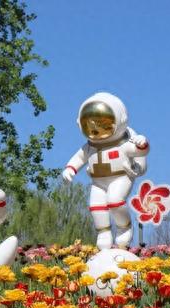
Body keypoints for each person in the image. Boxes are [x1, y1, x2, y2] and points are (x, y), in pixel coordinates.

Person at [62, 92, 149, 249]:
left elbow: (140, 152)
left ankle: (124, 228)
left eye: (103, 123)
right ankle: (103, 233)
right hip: (98, 181)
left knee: (115, 200)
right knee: (96, 206)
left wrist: (141, 143)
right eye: (90, 124)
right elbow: (79, 158)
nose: (96, 129)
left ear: (119, 120)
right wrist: (70, 168)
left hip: (120, 177)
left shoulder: (123, 144)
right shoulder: (90, 147)